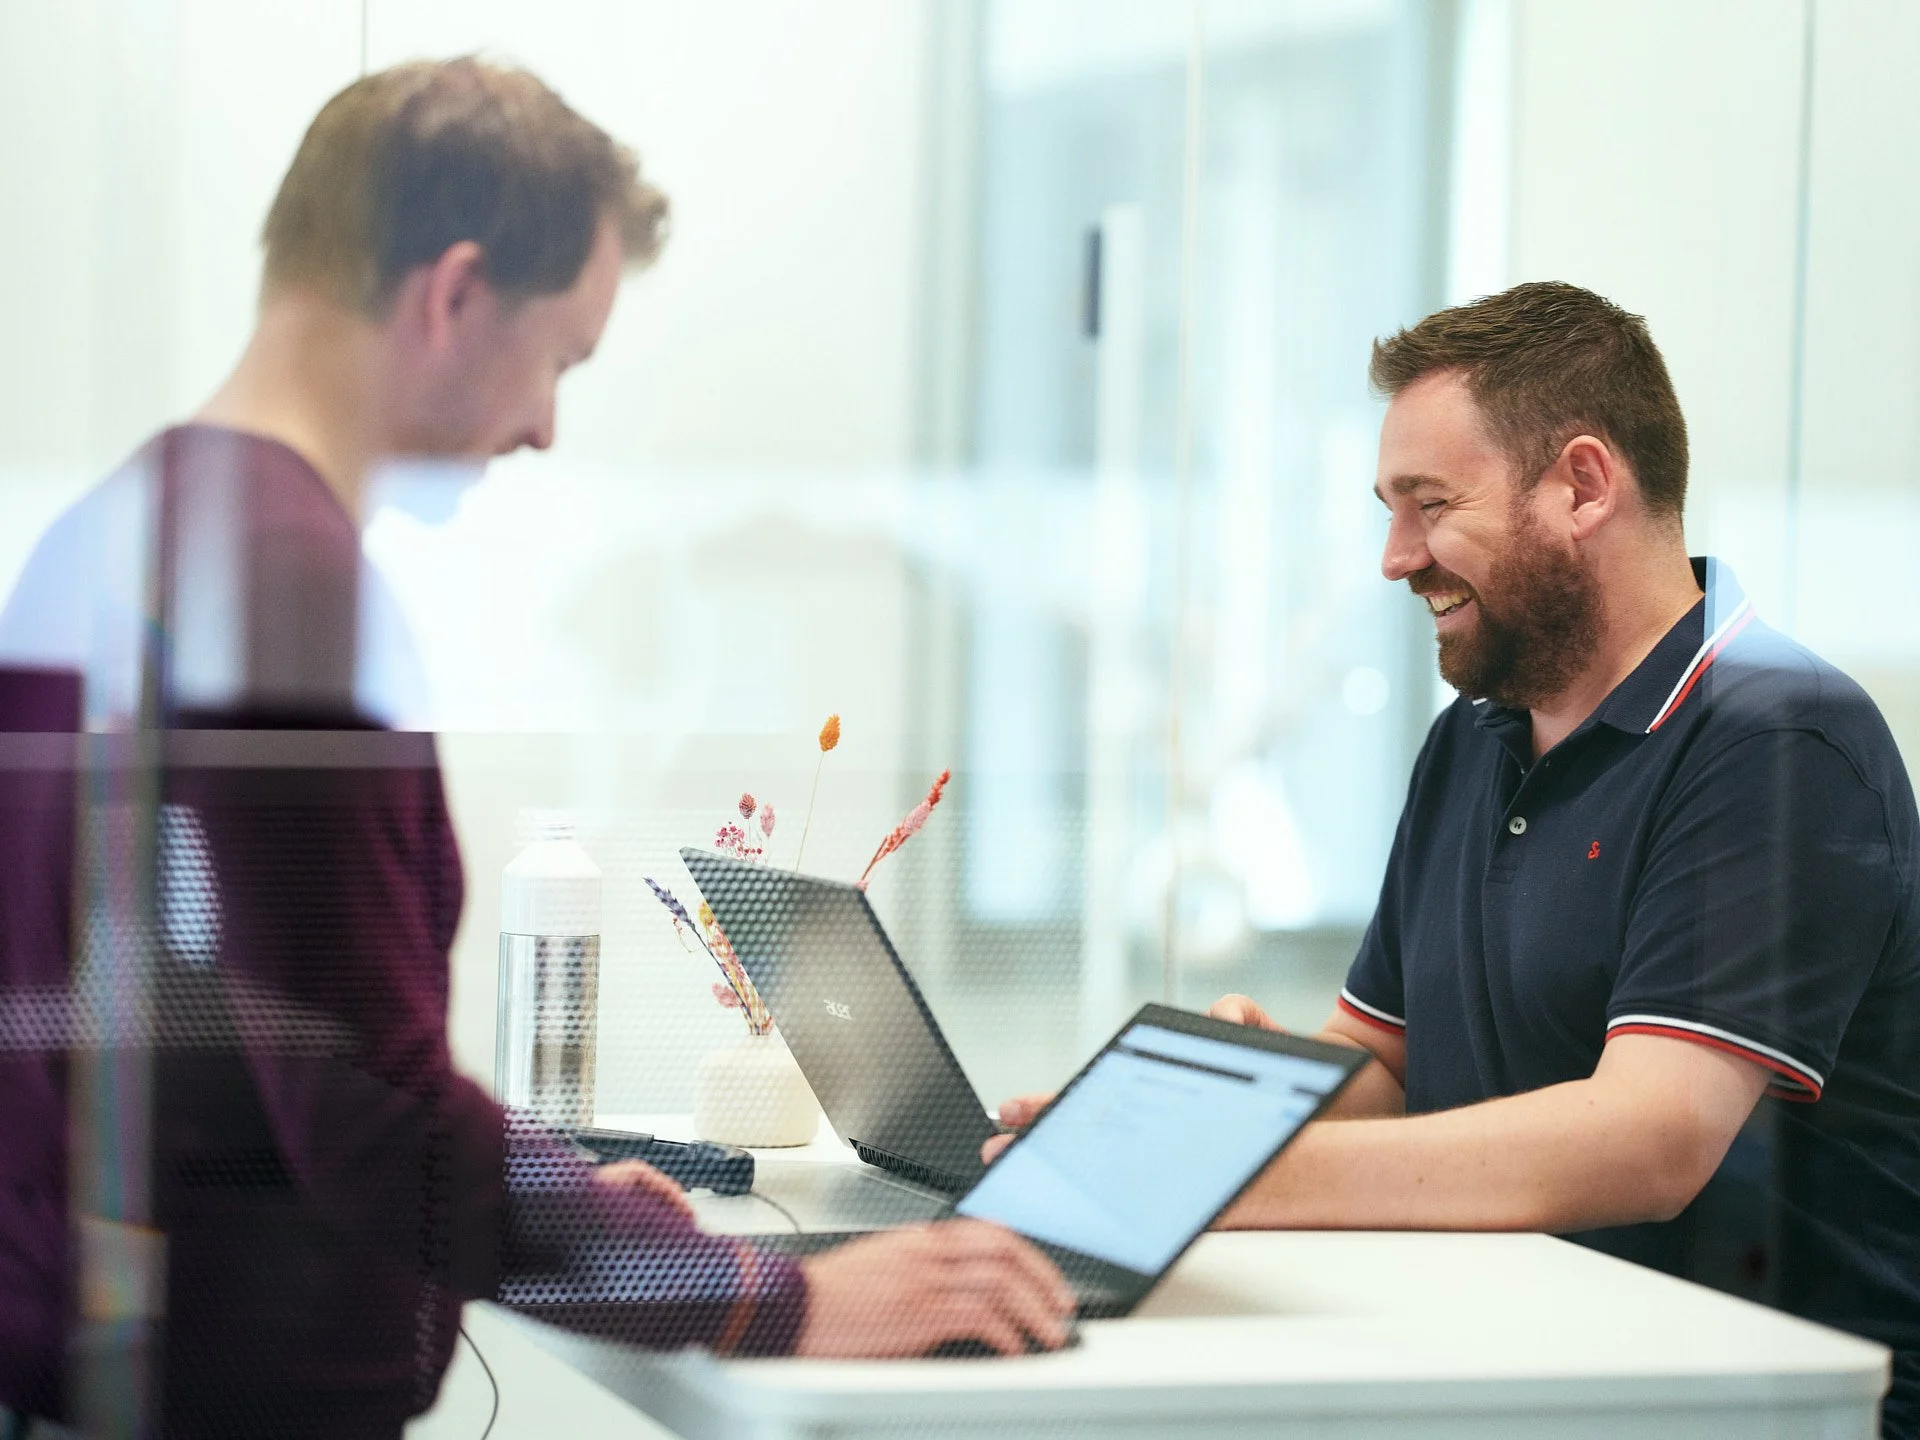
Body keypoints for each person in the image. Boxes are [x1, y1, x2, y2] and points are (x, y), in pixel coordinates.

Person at [0, 58, 1070, 1439]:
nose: (547, 428)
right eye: (561, 356)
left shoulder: (109, 529)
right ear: (452, 295)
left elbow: (218, 1033)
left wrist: (558, 1193)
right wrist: (782, 1301)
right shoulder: (282, 584)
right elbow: (364, 1112)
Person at [991, 282, 1920, 1437]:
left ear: (1584, 485)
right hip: (1519, 1353)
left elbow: (1653, 1140)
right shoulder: (1476, 736)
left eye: (1428, 505)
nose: (1394, 558)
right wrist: (1219, 1115)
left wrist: (1238, 1186)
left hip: (1752, 1403)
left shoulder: (1779, 741)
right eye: (1390, 509)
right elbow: (1387, 1060)